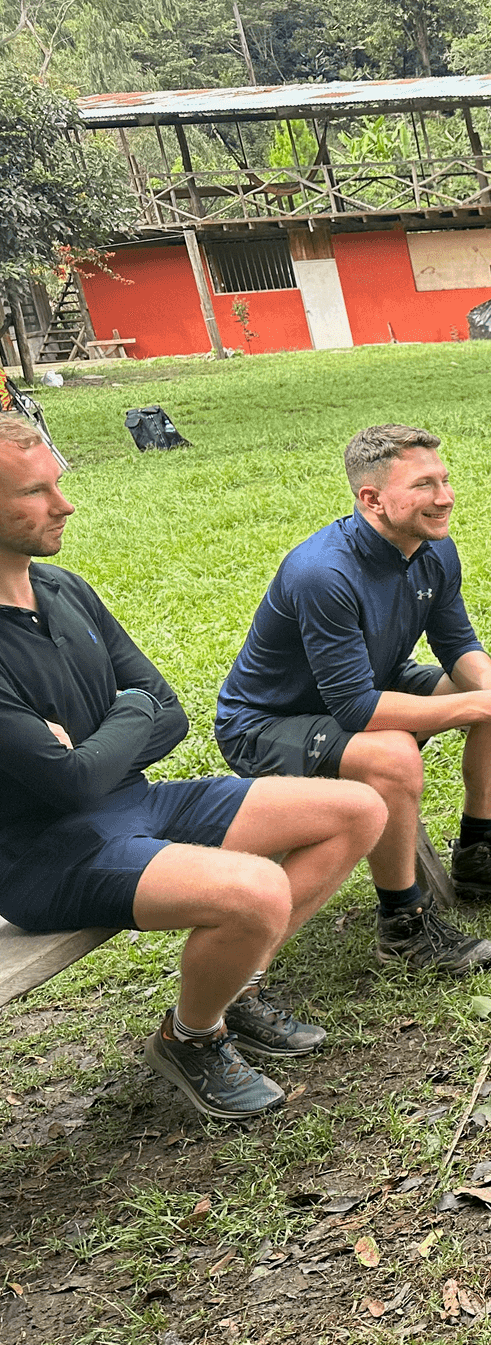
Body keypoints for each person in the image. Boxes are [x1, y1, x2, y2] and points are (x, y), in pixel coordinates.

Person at [0, 418, 386, 1121]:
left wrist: (103, 732)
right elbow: (69, 785)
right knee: (257, 889)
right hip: (44, 855)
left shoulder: (63, 589)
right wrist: (123, 718)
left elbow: (168, 711)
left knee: (356, 811)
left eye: (58, 484)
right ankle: (192, 1036)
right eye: (36, 492)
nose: (65, 505)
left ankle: (234, 987)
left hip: (134, 804)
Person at [215, 425, 491, 979]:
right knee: (396, 752)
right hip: (268, 722)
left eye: (444, 481)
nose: (445, 497)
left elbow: (457, 645)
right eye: (424, 484)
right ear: (371, 499)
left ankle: (479, 850)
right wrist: (478, 707)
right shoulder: (321, 573)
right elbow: (358, 711)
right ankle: (403, 924)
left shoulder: (433, 550)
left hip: (368, 687)